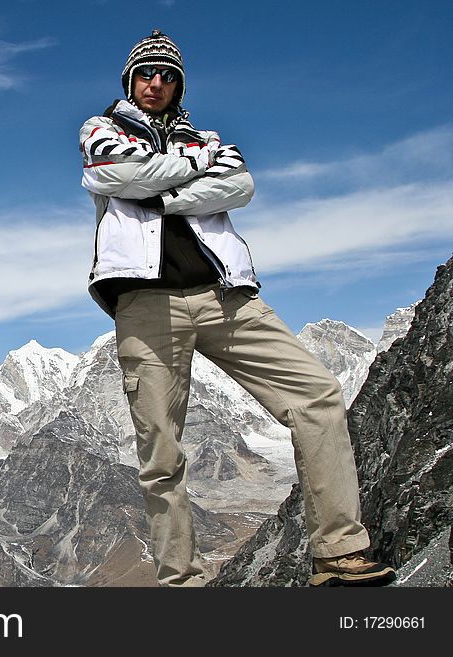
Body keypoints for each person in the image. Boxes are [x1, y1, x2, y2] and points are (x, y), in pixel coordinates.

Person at [78, 29, 396, 587]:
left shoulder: (210, 135)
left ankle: (338, 552)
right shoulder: (101, 130)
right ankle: (185, 585)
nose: (157, 83)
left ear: (179, 85)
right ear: (130, 81)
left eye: (168, 76)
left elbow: (240, 185)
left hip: (226, 296)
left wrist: (156, 187)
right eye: (146, 74)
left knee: (316, 395)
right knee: (161, 453)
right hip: (146, 302)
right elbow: (115, 175)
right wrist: (194, 171)